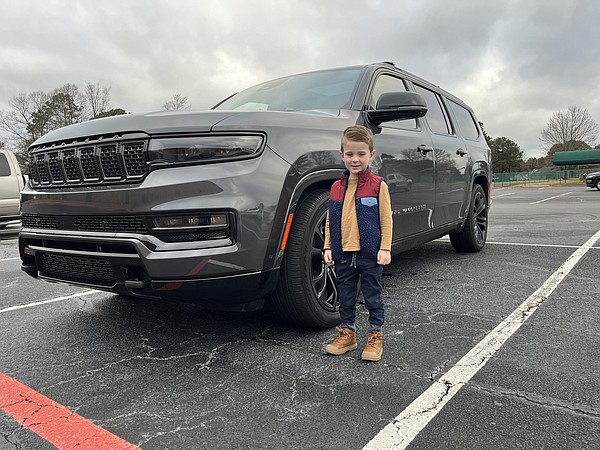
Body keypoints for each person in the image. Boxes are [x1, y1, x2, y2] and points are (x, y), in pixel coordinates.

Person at [323, 125, 393, 362]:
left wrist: (385, 247)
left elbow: (386, 219)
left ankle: (375, 334)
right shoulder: (336, 187)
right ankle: (347, 334)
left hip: (370, 254)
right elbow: (330, 220)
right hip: (344, 253)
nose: (355, 159)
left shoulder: (378, 185)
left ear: (371, 155)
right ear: (342, 155)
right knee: (346, 296)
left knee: (373, 295)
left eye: (361, 154)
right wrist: (328, 246)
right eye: (350, 154)